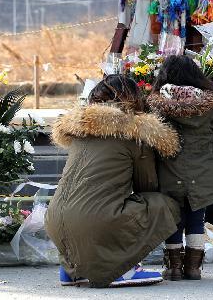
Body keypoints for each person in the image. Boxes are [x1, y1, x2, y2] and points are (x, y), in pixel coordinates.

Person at [47, 74, 181, 288]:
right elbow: (146, 186)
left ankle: (70, 270)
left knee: (91, 210)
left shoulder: (79, 131)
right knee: (163, 205)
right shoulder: (134, 134)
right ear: (133, 99)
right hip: (93, 220)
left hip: (53, 218)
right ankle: (124, 269)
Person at [147, 55, 213, 282]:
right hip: (202, 171)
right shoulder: (212, 106)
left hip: (168, 172)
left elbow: (151, 143)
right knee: (196, 219)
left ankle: (173, 268)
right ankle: (193, 268)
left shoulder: (156, 105)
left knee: (173, 218)